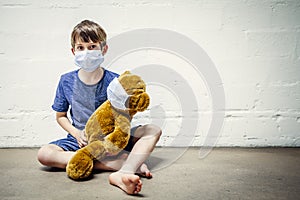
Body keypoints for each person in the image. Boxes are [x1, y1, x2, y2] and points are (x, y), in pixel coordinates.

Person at [37, 19, 162, 195]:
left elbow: (124, 117)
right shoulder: (66, 81)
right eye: (81, 47)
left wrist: (114, 141)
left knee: (153, 130)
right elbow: (61, 115)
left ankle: (124, 171)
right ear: (73, 51)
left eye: (92, 46)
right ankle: (118, 165)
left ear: (104, 49)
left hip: (111, 138)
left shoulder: (115, 81)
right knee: (44, 153)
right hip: (81, 139)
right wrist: (76, 133)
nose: (86, 52)